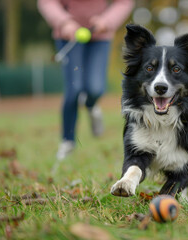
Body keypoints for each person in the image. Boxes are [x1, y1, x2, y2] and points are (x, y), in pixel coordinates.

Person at [38, 0, 134, 160]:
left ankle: (91, 105)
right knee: (74, 89)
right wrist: (64, 22)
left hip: (100, 34)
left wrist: (107, 21)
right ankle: (67, 141)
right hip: (68, 35)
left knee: (95, 88)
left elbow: (124, 2)